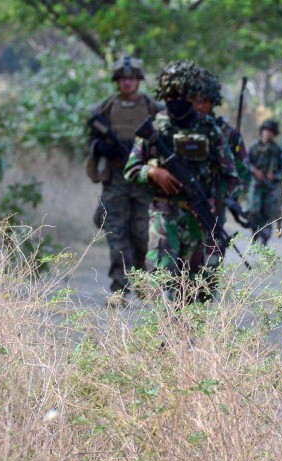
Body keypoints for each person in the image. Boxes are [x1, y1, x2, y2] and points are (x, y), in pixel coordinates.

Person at [124, 60, 241, 301]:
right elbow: (131, 170)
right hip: (164, 216)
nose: (176, 100)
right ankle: (166, 338)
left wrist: (212, 199)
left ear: (193, 96)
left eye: (182, 95)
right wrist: (153, 173)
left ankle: (190, 339)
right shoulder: (155, 128)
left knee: (196, 289)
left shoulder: (210, 130)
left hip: (198, 220)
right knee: (161, 282)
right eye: (171, 95)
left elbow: (230, 176)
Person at [86, 55, 159, 304]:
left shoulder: (151, 108)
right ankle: (120, 288)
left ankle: (141, 283)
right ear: (117, 81)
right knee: (116, 234)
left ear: (138, 80)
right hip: (116, 178)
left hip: (144, 179)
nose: (127, 83)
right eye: (123, 79)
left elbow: (164, 141)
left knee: (142, 236)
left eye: (132, 79)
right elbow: (92, 139)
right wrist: (104, 148)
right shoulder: (106, 108)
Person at [193, 68, 254, 249]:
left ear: (213, 103)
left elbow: (242, 172)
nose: (199, 106)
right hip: (182, 204)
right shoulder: (177, 130)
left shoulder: (226, 133)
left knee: (212, 257)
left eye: (204, 101)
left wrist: (228, 197)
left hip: (214, 203)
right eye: (195, 101)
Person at [248, 119, 282, 243]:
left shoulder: (279, 150)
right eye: (265, 131)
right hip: (257, 184)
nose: (266, 134)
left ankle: (265, 239)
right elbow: (245, 162)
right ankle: (254, 233)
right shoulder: (254, 147)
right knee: (253, 211)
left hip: (272, 186)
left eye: (270, 132)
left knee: (270, 212)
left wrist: (275, 176)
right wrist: (254, 171)